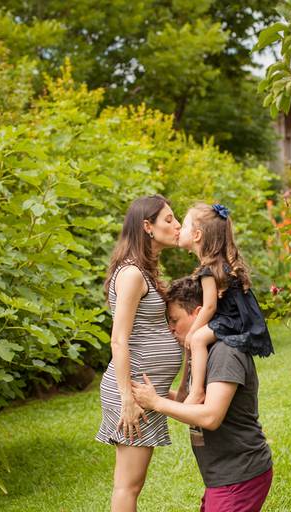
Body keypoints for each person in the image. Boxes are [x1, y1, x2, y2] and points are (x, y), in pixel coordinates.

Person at [132, 276, 273, 512]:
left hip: (239, 475)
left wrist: (156, 402)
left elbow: (210, 417)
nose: (171, 327)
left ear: (198, 313)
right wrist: (157, 394)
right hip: (222, 477)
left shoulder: (225, 352)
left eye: (175, 319)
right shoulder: (203, 351)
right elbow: (191, 401)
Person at [95, 194, 184, 512]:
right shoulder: (132, 274)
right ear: (147, 226)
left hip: (143, 389)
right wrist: (127, 399)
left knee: (132, 484)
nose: (177, 225)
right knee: (127, 486)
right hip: (131, 390)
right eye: (169, 219)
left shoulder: (144, 271)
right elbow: (118, 339)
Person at [178, 202, 273, 405]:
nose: (179, 229)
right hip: (235, 317)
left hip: (231, 320)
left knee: (197, 341)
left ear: (196, 235)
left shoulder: (209, 269)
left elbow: (210, 306)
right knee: (199, 339)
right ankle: (195, 389)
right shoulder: (220, 264)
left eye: (184, 226)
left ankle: (196, 392)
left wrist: (192, 330)